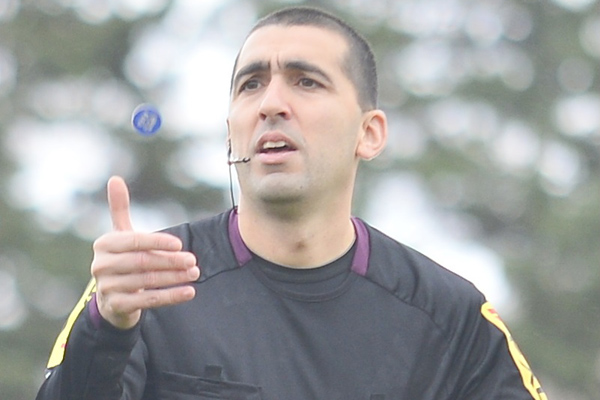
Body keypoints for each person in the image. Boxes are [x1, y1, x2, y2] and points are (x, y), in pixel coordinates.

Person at [36, 6, 547, 400]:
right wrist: (107, 329)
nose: (271, 104)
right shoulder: (147, 284)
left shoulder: (450, 316)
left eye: (306, 81)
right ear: (230, 132)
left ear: (369, 133)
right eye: (251, 84)